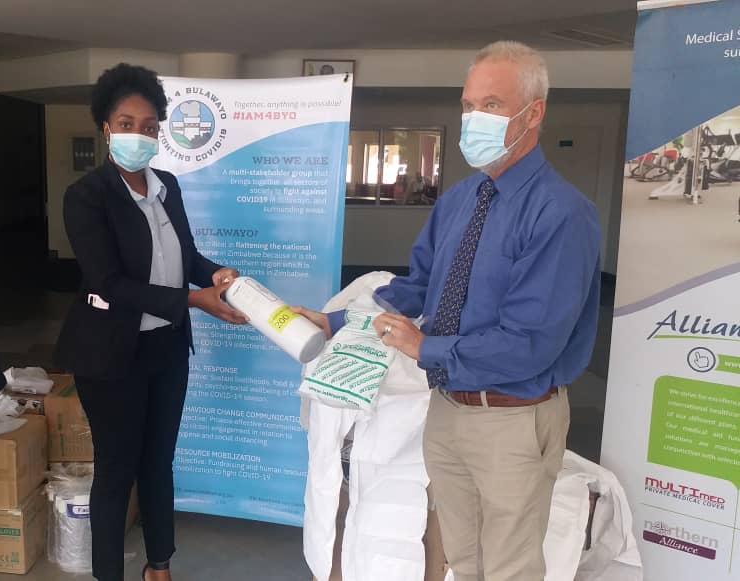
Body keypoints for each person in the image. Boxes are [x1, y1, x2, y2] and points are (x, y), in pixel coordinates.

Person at [296, 41, 601, 581]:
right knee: (463, 561)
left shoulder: (561, 214)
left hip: (512, 417)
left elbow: (530, 343)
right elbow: (418, 287)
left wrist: (423, 347)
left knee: (509, 568)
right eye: (468, 105)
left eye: (491, 105)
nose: (473, 119)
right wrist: (336, 321)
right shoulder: (461, 200)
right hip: (447, 408)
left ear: (534, 113)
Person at [55, 63, 247, 581]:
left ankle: (158, 566)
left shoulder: (168, 187)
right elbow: (108, 283)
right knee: (117, 470)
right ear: (106, 128)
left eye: (147, 126)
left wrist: (214, 273)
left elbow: (185, 257)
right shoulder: (87, 196)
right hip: (110, 354)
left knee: (158, 462)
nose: (137, 135)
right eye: (126, 123)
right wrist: (195, 301)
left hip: (166, 348)